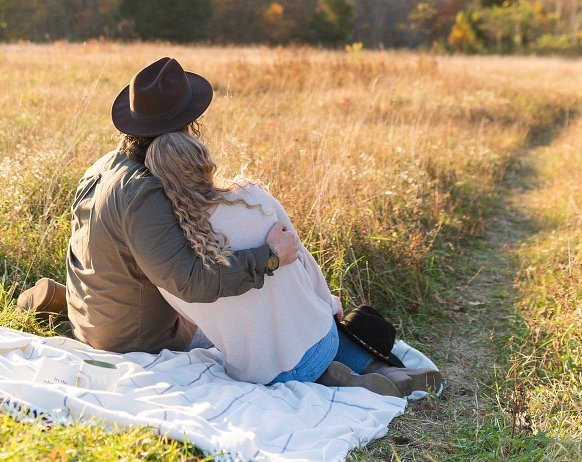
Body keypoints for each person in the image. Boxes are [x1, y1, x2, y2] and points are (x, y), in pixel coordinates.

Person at [18, 57, 299, 355]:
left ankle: (62, 303)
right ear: (189, 125)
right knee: (237, 321)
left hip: (89, 319)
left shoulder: (102, 166)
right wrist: (270, 256)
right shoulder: (144, 193)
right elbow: (190, 283)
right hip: (136, 342)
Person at [142, 129, 441, 397]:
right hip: (319, 345)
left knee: (276, 342)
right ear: (205, 161)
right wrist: (328, 303)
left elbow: (196, 316)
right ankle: (380, 369)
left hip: (259, 375)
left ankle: (334, 379)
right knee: (315, 327)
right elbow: (302, 258)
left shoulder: (173, 253)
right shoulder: (250, 196)